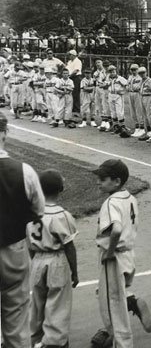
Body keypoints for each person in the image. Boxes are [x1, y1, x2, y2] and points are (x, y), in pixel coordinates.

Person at [92, 159, 151, 348]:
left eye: (103, 179)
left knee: (112, 305)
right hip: (128, 254)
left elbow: (116, 230)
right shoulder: (130, 197)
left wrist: (109, 252)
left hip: (114, 256)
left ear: (117, 181)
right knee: (117, 294)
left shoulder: (111, 202)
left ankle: (121, 343)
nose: (99, 182)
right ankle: (132, 303)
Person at [0, 111, 45, 348]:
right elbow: (39, 211)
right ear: (5, 133)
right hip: (14, 251)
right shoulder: (24, 170)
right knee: (16, 324)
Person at [26, 169, 78, 348]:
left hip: (37, 260)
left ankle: (36, 340)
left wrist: (35, 261)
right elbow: (69, 246)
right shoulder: (62, 215)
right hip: (57, 261)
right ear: (61, 189)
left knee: (38, 304)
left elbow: (29, 244)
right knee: (57, 304)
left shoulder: (32, 213)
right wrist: (74, 272)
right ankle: (55, 342)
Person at [107, 65, 128, 135]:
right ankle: (116, 126)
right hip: (110, 94)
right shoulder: (108, 78)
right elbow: (105, 84)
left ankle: (122, 126)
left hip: (118, 95)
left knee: (119, 111)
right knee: (113, 111)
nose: (112, 73)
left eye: (113, 71)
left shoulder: (120, 78)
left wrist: (123, 91)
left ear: (116, 71)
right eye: (110, 72)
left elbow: (127, 84)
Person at [136, 67, 151, 141]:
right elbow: (138, 88)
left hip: (148, 97)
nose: (142, 75)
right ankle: (148, 132)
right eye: (140, 73)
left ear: (146, 72)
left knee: (149, 115)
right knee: (144, 116)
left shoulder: (150, 81)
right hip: (142, 97)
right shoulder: (141, 81)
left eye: (143, 73)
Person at [65, 50, 82, 115]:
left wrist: (69, 76)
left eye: (70, 55)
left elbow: (76, 71)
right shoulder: (69, 61)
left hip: (76, 78)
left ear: (73, 55)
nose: (69, 56)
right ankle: (72, 108)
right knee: (70, 93)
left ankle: (77, 109)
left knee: (76, 93)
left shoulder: (77, 61)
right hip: (70, 77)